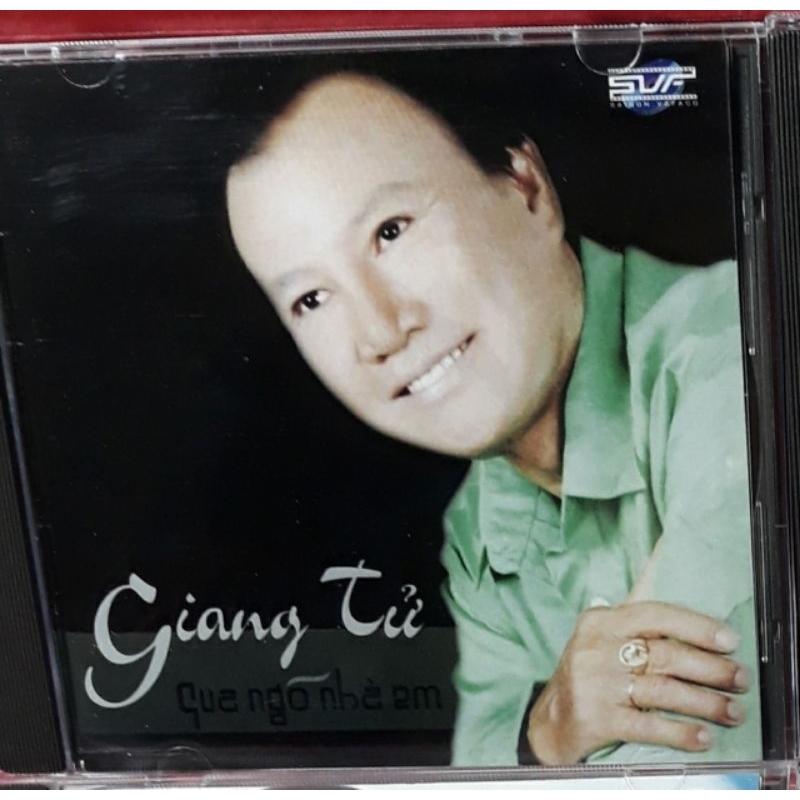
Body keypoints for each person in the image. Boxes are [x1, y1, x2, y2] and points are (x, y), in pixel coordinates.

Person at [225, 72, 759, 766]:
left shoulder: (736, 353)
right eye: (312, 299)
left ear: (526, 188)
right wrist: (544, 733)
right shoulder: (478, 528)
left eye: (391, 231)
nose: (381, 331)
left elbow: (710, 751)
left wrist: (554, 742)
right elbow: (482, 766)